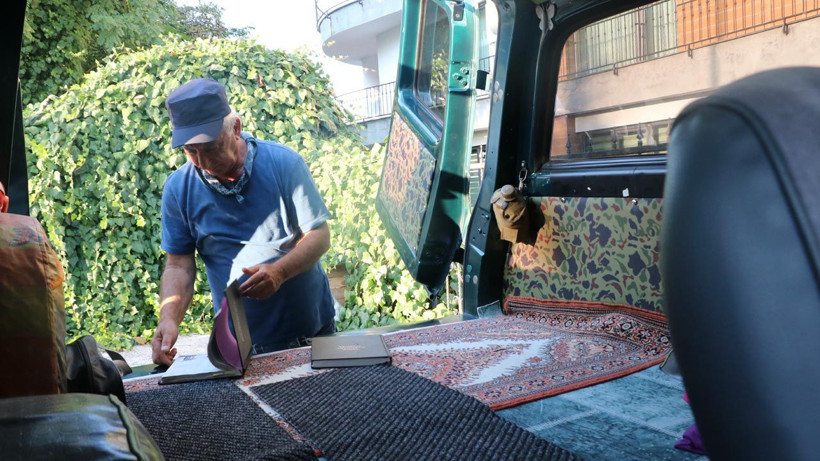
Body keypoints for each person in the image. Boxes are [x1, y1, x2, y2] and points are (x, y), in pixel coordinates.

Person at [151, 78, 336, 366]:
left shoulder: (284, 163)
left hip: (312, 332)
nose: (201, 160)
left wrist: (279, 272)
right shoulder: (178, 189)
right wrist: (169, 319)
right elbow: (178, 265)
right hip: (239, 344)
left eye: (209, 147)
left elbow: (319, 235)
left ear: (235, 128)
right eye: (190, 150)